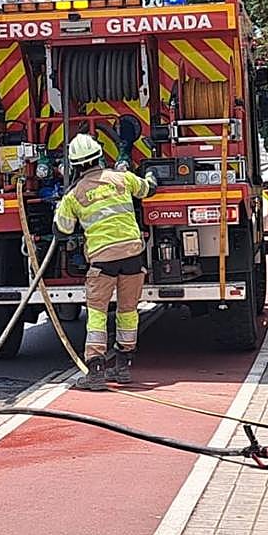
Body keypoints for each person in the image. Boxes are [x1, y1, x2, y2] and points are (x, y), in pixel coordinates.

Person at [54, 133, 157, 390]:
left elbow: (62, 230)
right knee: (128, 310)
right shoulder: (122, 179)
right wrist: (153, 176)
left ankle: (96, 370)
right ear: (100, 156)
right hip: (133, 255)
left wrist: (61, 207)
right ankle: (123, 365)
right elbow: (148, 189)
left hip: (102, 260)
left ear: (75, 166)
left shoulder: (74, 195)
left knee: (98, 313)